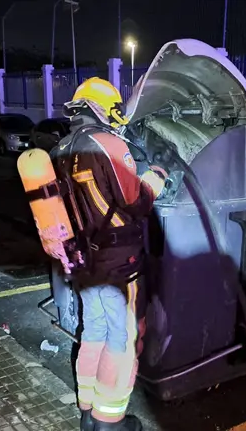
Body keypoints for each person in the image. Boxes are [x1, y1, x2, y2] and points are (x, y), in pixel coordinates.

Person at [50, 78, 166, 431]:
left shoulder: (60, 150)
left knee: (94, 332)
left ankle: (88, 413)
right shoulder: (108, 144)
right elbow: (138, 201)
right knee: (122, 340)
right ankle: (109, 422)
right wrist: (158, 175)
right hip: (119, 266)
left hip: (83, 263)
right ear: (106, 110)